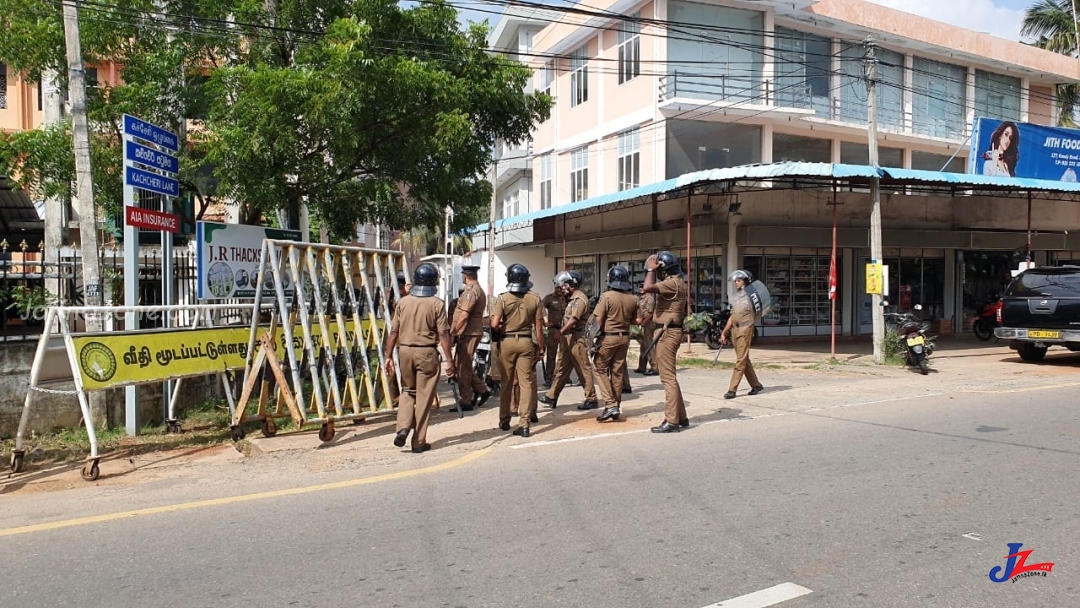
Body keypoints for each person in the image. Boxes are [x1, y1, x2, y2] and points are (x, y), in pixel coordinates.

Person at [384, 263, 455, 453]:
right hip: (426, 353)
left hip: (404, 351)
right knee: (424, 397)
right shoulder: (437, 304)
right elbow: (444, 335)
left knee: (408, 390)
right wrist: (449, 360)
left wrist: (388, 356)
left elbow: (393, 331)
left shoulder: (403, 302)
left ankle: (403, 427)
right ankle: (418, 441)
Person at [491, 263, 544, 437]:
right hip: (526, 342)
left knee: (506, 382)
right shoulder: (534, 298)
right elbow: (538, 327)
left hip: (507, 342)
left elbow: (494, 324)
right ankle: (525, 423)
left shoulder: (503, 298)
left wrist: (501, 329)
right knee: (526, 383)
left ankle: (504, 419)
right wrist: (541, 348)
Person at [641, 251, 688, 433]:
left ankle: (671, 421)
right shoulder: (677, 282)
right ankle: (681, 417)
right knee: (671, 377)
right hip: (668, 331)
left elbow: (647, 287)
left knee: (667, 378)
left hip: (668, 332)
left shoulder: (671, 283)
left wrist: (651, 270)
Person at [539, 270, 598, 410]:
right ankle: (551, 397)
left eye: (565, 285)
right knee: (562, 370)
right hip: (569, 338)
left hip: (577, 338)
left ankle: (592, 398)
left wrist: (560, 332)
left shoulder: (579, 299)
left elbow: (573, 320)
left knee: (584, 369)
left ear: (572, 284)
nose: (562, 288)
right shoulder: (571, 299)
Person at [593, 266, 639, 422]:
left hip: (608, 337)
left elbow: (598, 319)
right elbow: (636, 320)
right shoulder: (633, 299)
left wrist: (591, 339)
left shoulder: (606, 297)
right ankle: (615, 406)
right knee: (617, 372)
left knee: (599, 368)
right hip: (625, 337)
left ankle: (610, 403)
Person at [451, 265, 491, 411]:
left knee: (463, 367)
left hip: (469, 332)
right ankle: (482, 390)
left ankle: (466, 400)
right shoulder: (476, 290)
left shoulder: (471, 292)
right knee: (462, 365)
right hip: (469, 332)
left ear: (465, 276)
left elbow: (464, 315)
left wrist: (453, 331)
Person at [720, 270, 764, 399]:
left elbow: (758, 311)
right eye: (735, 281)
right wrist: (724, 332)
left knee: (740, 361)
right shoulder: (736, 297)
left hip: (745, 329)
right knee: (744, 359)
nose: (736, 283)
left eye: (738, 280)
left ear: (745, 281)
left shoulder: (751, 297)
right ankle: (756, 385)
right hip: (735, 330)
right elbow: (732, 317)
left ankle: (732, 389)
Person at [541, 286, 566, 388]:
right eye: (558, 288)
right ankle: (549, 377)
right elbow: (540, 309)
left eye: (561, 288)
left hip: (565, 329)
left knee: (565, 354)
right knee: (552, 355)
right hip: (553, 329)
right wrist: (544, 323)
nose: (559, 290)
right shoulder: (549, 298)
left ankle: (562, 376)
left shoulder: (567, 298)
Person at [635, 282, 658, 376]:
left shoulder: (649, 299)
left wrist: (642, 324)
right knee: (643, 346)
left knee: (649, 346)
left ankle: (655, 368)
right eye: (639, 286)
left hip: (648, 324)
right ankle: (642, 367)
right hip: (644, 323)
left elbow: (650, 314)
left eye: (642, 287)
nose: (640, 288)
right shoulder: (642, 298)